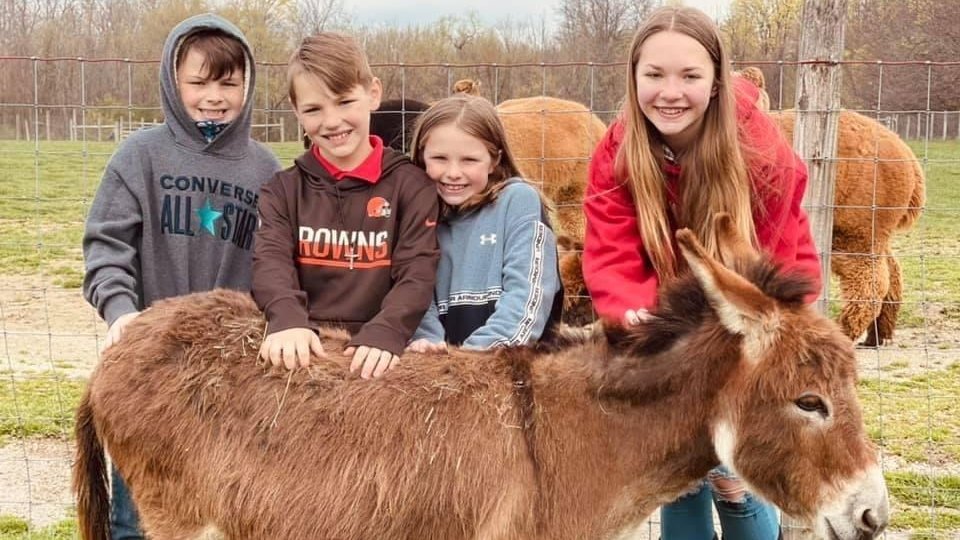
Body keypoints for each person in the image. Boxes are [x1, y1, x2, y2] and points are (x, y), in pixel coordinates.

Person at [581, 6, 822, 540]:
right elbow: (611, 250)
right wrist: (633, 312)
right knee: (680, 465)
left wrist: (733, 337)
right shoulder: (617, 153)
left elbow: (771, 262)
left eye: (689, 76)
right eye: (654, 75)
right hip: (665, 310)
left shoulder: (763, 154)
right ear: (633, 78)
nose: (670, 92)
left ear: (715, 82)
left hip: (752, 302)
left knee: (732, 473)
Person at [81, 13, 281, 540]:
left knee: (228, 511)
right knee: (139, 516)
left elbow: (278, 266)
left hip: (236, 378)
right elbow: (106, 246)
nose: (213, 97)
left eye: (228, 83)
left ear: (247, 85)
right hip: (154, 369)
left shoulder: (266, 171)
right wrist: (121, 314)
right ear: (173, 82)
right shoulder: (139, 157)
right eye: (198, 82)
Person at [253, 32, 439, 378]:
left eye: (344, 102)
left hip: (379, 350)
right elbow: (270, 262)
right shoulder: (282, 190)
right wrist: (287, 318)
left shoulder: (412, 186)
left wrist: (388, 329)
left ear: (373, 94)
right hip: (307, 346)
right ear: (296, 111)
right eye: (313, 109)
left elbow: (417, 271)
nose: (332, 121)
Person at [405, 95, 563, 352]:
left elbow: (526, 299)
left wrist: (470, 361)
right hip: (441, 368)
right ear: (422, 157)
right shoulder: (418, 214)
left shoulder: (518, 201)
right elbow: (414, 295)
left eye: (469, 160)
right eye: (440, 158)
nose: (453, 173)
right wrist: (428, 346)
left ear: (495, 160)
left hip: (512, 365)